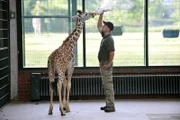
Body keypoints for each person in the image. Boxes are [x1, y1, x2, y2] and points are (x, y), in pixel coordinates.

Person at [97, 11, 115, 112]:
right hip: (103, 64)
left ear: (108, 28)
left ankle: (111, 106)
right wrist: (101, 14)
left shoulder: (109, 39)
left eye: (105, 25)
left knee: (108, 85)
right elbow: (99, 25)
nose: (102, 26)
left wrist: (108, 64)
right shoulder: (105, 36)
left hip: (106, 64)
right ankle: (108, 103)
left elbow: (112, 53)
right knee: (106, 84)